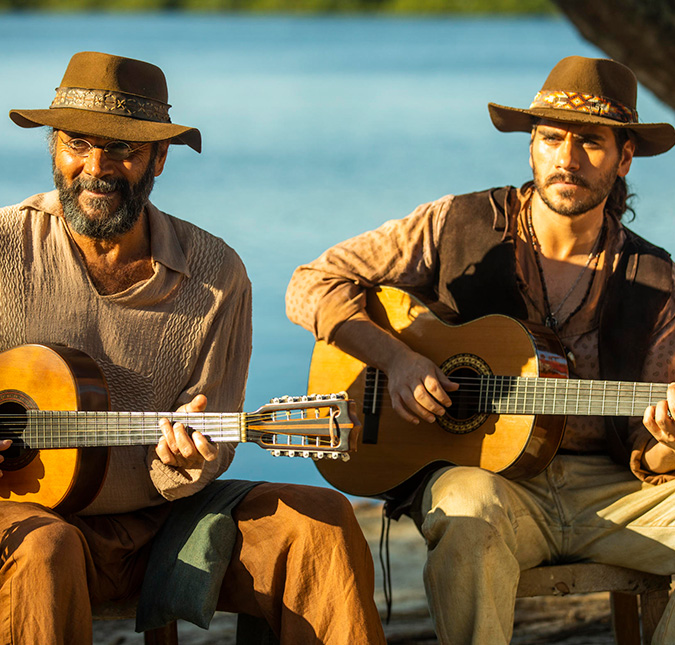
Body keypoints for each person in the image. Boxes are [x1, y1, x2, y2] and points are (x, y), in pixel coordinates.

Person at [286, 55, 675, 644]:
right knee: (468, 512)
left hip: (611, 491)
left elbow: (654, 453)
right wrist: (396, 360)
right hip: (487, 481)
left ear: (624, 158)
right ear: (531, 148)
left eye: (591, 143)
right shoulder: (456, 224)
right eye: (551, 139)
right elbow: (310, 284)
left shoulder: (657, 279)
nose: (567, 159)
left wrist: (669, 439)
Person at [0, 50, 386, 645]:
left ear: (160, 157)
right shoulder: (6, 248)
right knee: (45, 547)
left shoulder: (215, 273)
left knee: (321, 523)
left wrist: (186, 465)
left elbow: (203, 448)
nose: (96, 167)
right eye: (78, 143)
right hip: (24, 519)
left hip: (165, 522)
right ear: (53, 145)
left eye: (124, 149)